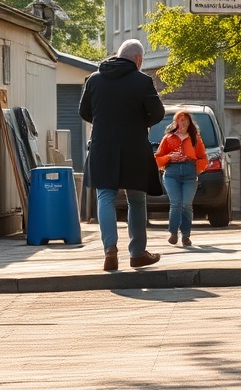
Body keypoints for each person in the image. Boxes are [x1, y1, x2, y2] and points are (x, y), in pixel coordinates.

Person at [79, 39, 165, 272]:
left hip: (102, 147)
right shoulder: (142, 81)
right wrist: (140, 123)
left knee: (105, 198)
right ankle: (137, 254)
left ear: (118, 55)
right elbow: (158, 112)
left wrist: (105, 124)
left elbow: (84, 111)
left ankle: (110, 251)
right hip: (134, 147)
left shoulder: (94, 79)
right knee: (136, 200)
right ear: (138, 60)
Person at [154, 110, 209, 247]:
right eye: (180, 119)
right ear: (176, 122)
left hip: (189, 174)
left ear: (190, 122)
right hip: (172, 173)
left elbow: (203, 158)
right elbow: (157, 158)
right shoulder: (168, 138)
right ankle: (173, 232)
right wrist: (169, 157)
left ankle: (185, 235)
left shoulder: (195, 138)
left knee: (186, 205)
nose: (183, 122)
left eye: (185, 120)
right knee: (176, 204)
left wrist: (194, 166)